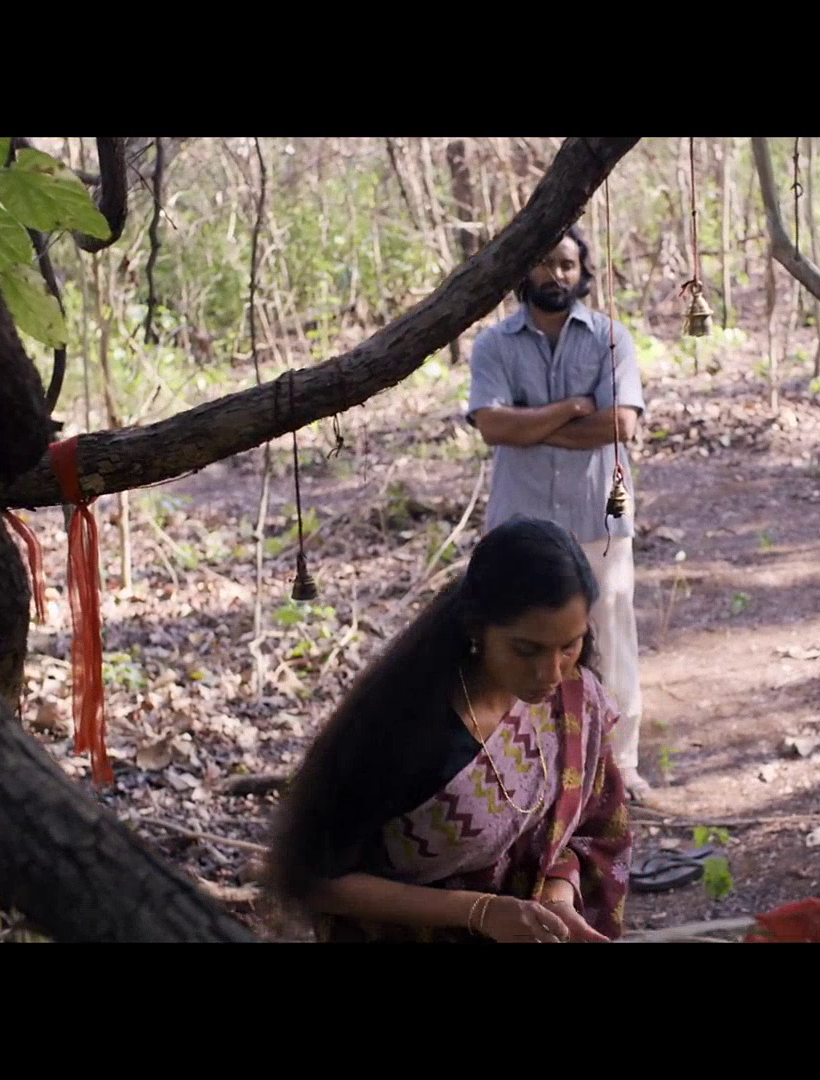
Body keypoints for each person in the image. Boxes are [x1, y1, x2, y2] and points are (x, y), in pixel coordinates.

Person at [268, 516, 634, 942]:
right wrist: (479, 911)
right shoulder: (405, 727)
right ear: (476, 627)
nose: (550, 673)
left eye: (569, 646)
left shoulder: (573, 704)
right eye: (526, 649)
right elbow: (315, 879)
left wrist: (556, 900)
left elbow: (590, 829)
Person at [464, 225, 652, 801]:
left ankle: (620, 768)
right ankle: (523, 768)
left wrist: (531, 425)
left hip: (598, 515)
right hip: (519, 524)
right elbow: (492, 425)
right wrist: (571, 409)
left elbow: (621, 424)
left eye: (568, 264)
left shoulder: (611, 338)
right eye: (546, 262)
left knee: (609, 633)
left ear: (583, 272)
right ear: (525, 269)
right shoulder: (494, 345)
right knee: (518, 642)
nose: (557, 274)